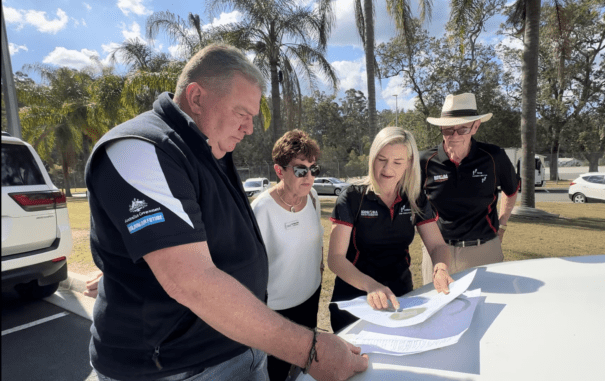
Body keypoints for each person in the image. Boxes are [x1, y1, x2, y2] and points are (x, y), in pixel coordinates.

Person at [85, 43, 367, 381]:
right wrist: (311, 350)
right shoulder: (139, 149)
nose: (249, 129)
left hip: (239, 347)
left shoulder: (205, 148)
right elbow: (190, 281)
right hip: (175, 369)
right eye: (242, 113)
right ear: (197, 97)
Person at [327, 127, 455, 333]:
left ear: (410, 163)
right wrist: (372, 286)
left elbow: (438, 245)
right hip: (355, 298)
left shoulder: (415, 198)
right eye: (381, 159)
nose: (387, 169)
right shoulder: (352, 197)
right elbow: (335, 258)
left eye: (397, 162)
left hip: (401, 298)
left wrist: (440, 268)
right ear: (372, 158)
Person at [420, 93, 520, 285]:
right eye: (448, 129)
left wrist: (503, 224)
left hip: (483, 251)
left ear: (475, 126)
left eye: (462, 129)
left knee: (488, 307)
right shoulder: (425, 161)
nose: (454, 135)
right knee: (438, 310)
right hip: (438, 254)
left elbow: (511, 190)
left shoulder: (493, 156)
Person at [250, 130, 324, 381]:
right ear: (279, 171)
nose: (310, 176)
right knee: (276, 373)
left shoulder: (313, 197)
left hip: (310, 300)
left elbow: (315, 245)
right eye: (301, 170)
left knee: (303, 370)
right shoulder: (260, 209)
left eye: (314, 169)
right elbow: (249, 269)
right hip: (276, 313)